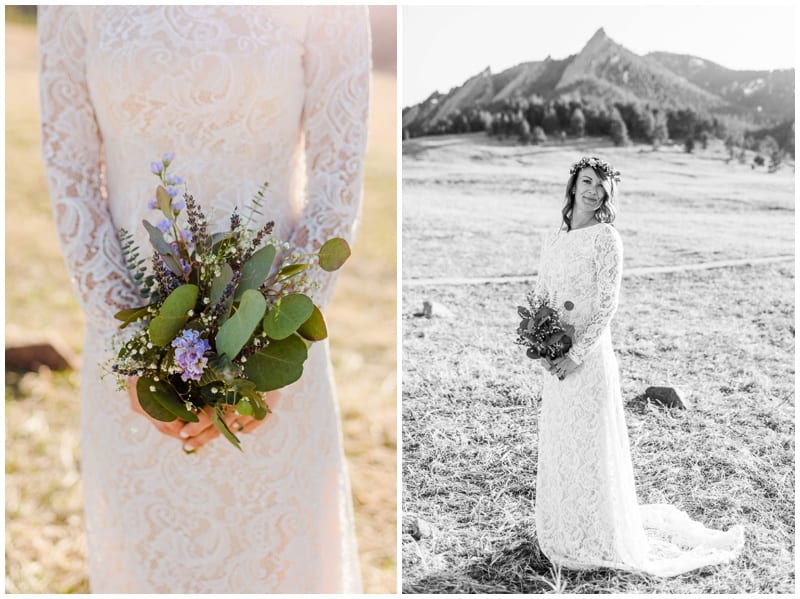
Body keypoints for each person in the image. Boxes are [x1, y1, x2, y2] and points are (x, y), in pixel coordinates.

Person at [38, 6, 369, 593]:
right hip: (133, 378)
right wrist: (134, 356)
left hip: (273, 381)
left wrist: (266, 353)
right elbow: (72, 178)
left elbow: (336, 182)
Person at [530, 156, 744, 577]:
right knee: (563, 440)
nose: (592, 191)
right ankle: (566, 524)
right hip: (557, 355)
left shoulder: (607, 238)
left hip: (588, 359)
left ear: (608, 194)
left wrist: (576, 354)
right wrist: (543, 344)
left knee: (591, 444)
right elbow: (542, 294)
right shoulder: (555, 238)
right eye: (586, 181)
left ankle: (598, 532)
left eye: (601, 186)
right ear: (573, 185)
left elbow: (607, 304)